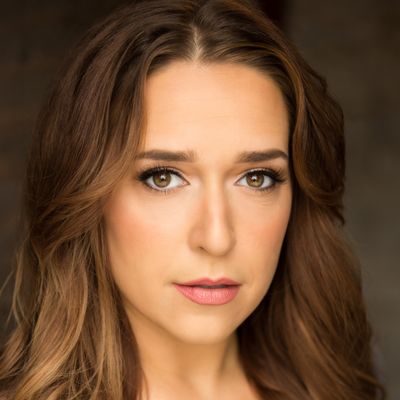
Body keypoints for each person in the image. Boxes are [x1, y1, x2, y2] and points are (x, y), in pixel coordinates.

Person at [0, 0, 386, 399]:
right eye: (163, 177)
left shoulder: (340, 381)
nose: (216, 238)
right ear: (86, 193)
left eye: (256, 178)